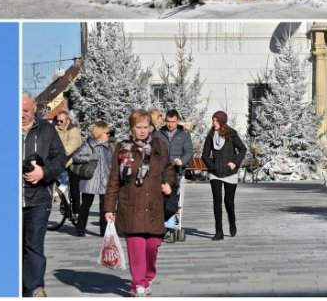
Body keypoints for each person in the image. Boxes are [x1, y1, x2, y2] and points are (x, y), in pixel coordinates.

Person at [105, 110, 174, 297]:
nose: (142, 131)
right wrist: (109, 207)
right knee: (136, 249)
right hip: (131, 205)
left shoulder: (159, 145)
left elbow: (168, 168)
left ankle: (147, 276)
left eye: (145, 127)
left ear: (150, 127)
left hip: (154, 205)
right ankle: (139, 284)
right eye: (138, 127)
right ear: (132, 128)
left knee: (152, 246)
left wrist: (168, 183)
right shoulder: (122, 148)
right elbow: (114, 179)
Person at [22, 92, 65, 297]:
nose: (22, 115)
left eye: (26, 110)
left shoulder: (46, 130)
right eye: (18, 111)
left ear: (35, 109)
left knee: (34, 244)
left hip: (38, 197)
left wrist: (43, 172)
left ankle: (35, 288)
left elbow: (60, 158)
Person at [201, 110, 247, 241]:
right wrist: (212, 166)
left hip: (230, 173)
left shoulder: (231, 134)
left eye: (216, 120)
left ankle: (232, 221)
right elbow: (204, 155)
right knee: (217, 201)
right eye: (213, 120)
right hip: (215, 173)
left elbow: (243, 149)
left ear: (222, 121)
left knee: (228, 201)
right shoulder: (210, 135)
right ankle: (219, 231)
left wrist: (235, 163)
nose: (214, 123)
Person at [152, 109, 193, 242]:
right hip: (159, 172)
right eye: (168, 122)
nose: (170, 124)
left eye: (173, 122)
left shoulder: (184, 135)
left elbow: (189, 152)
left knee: (171, 199)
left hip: (176, 171)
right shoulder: (158, 134)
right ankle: (160, 226)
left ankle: (169, 227)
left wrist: (182, 160)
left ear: (178, 121)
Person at [71, 122, 113, 237]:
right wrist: (90, 157)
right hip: (90, 180)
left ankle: (104, 231)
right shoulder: (88, 145)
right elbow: (76, 156)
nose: (108, 135)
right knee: (85, 204)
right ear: (99, 133)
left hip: (104, 180)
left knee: (105, 207)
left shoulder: (109, 146)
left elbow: (110, 162)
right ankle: (80, 229)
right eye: (106, 133)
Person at [54, 111, 83, 216]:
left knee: (74, 189)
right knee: (58, 184)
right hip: (59, 162)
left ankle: (76, 212)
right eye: (57, 121)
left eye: (61, 121)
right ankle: (64, 202)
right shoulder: (54, 130)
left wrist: (57, 151)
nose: (59, 123)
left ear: (68, 121)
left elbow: (71, 145)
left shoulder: (73, 130)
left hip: (73, 162)